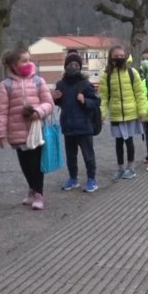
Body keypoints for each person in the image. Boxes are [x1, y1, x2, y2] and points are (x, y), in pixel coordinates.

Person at [0, 47, 54, 210]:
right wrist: (0, 133)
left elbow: (49, 103)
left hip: (36, 130)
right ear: (14, 64)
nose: (28, 63)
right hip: (16, 132)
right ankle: (32, 188)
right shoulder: (5, 85)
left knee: (36, 164)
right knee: (25, 164)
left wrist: (38, 112)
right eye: (24, 60)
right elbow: (1, 111)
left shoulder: (38, 81)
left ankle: (38, 194)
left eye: (29, 60)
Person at [52, 50, 100, 192]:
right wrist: (55, 98)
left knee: (88, 155)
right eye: (70, 64)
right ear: (65, 66)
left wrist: (85, 100)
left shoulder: (85, 84)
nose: (73, 67)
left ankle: (92, 179)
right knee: (71, 156)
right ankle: (73, 178)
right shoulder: (61, 84)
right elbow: (60, 102)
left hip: (84, 126)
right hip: (68, 126)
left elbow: (96, 101)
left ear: (80, 66)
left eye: (76, 64)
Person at [100, 45, 147, 180]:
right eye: (116, 56)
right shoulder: (106, 75)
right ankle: (120, 168)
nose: (120, 58)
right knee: (118, 142)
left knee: (129, 141)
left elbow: (139, 94)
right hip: (115, 114)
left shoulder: (133, 73)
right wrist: (102, 114)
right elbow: (103, 97)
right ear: (111, 58)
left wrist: (142, 111)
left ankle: (130, 167)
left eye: (122, 56)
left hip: (131, 113)